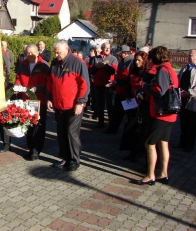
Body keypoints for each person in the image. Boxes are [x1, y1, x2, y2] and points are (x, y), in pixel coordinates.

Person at [132, 46, 178, 185]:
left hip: (161, 114)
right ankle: (163, 173)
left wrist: (145, 87)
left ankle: (150, 175)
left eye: (150, 58)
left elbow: (160, 90)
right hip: (169, 114)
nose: (149, 61)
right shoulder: (169, 68)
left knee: (149, 144)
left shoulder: (163, 70)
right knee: (163, 143)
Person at [47, 40, 90, 172]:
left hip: (73, 106)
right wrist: (50, 98)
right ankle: (64, 157)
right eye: (55, 52)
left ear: (66, 49)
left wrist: (80, 102)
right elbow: (50, 82)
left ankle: (74, 160)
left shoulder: (78, 63)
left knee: (71, 132)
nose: (56, 55)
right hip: (59, 105)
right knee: (61, 132)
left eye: (58, 52)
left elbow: (85, 84)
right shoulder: (54, 63)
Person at [14, 44, 50, 160]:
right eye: (27, 53)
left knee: (38, 127)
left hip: (39, 101)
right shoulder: (23, 65)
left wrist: (36, 88)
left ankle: (36, 150)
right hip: (26, 100)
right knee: (28, 125)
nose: (29, 54)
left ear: (38, 53)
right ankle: (30, 148)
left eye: (32, 52)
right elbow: (18, 78)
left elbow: (47, 83)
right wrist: (17, 86)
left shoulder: (43, 65)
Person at [119, 51, 150, 162]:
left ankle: (138, 152)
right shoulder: (133, 71)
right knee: (130, 128)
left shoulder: (147, 73)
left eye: (139, 60)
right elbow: (128, 84)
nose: (137, 62)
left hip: (142, 105)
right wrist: (127, 95)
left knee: (139, 131)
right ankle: (131, 151)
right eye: (135, 60)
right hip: (132, 102)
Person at [105, 45, 134, 134]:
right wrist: (113, 86)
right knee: (116, 113)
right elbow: (118, 76)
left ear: (125, 54)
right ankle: (112, 129)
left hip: (127, 94)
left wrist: (116, 83)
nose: (119, 56)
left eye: (120, 54)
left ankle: (127, 134)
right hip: (119, 91)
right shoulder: (122, 62)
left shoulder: (131, 62)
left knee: (128, 115)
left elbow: (127, 79)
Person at [89, 42, 118, 128]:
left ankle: (111, 124)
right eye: (105, 48)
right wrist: (95, 67)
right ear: (101, 48)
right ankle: (100, 123)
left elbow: (114, 71)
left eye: (109, 48)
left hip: (108, 85)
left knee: (109, 105)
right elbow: (90, 71)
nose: (107, 49)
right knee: (99, 105)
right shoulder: (95, 58)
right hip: (98, 84)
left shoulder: (113, 59)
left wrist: (105, 65)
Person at [176, 49, 196, 153]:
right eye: (188, 55)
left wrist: (189, 92)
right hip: (183, 98)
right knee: (183, 122)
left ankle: (190, 144)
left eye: (191, 56)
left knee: (192, 123)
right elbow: (178, 79)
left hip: (194, 101)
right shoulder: (185, 67)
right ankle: (182, 141)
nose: (188, 57)